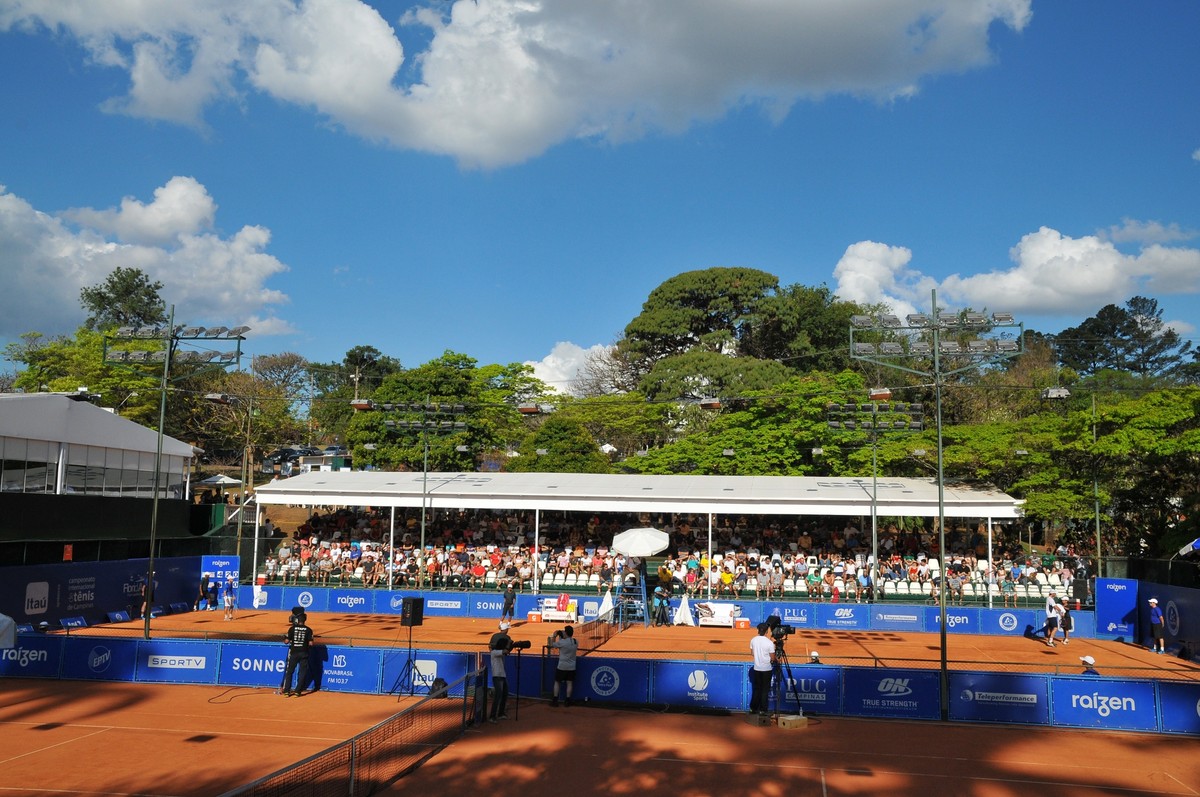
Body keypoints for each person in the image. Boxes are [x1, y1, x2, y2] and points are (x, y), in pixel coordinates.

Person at [280, 611, 314, 696]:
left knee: (290, 672)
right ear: (305, 620)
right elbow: (311, 644)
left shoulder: (292, 629)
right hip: (304, 653)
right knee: (302, 672)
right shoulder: (309, 630)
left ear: (297, 620)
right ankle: (297, 691)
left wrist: (284, 638)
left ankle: (287, 691)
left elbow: (286, 641)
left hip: (294, 653)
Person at [748, 622, 776, 717]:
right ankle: (763, 710)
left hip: (757, 668)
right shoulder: (769, 643)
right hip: (766, 669)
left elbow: (752, 653)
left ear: (758, 630)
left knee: (757, 689)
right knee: (764, 690)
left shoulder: (753, 640)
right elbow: (772, 658)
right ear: (766, 631)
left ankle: (753, 708)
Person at [488, 622, 513, 722]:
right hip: (497, 676)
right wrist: (509, 645)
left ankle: (501, 713)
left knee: (504, 694)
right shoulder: (495, 653)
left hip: (502, 675)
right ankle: (492, 716)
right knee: (498, 695)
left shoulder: (496, 652)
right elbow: (505, 651)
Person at [548, 625, 579, 707]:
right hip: (572, 667)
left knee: (557, 682)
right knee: (569, 683)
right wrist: (562, 637)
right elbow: (568, 642)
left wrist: (554, 636)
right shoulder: (575, 641)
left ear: (566, 633)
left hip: (562, 666)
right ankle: (567, 700)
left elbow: (552, 645)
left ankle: (555, 700)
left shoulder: (562, 642)